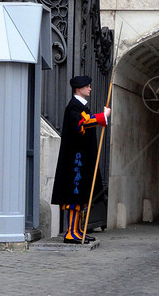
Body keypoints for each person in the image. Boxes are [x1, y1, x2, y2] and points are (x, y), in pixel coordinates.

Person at [51, 75, 111, 244]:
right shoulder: (74, 108)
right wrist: (102, 117)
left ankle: (78, 229)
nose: (90, 89)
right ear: (79, 88)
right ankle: (71, 232)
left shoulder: (82, 106)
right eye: (87, 86)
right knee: (74, 196)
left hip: (82, 159)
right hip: (75, 160)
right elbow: (81, 124)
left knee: (81, 195)